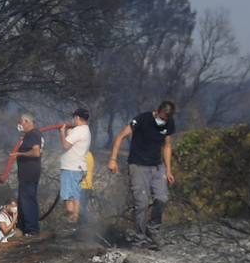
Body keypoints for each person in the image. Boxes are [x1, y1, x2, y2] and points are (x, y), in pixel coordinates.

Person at [107, 101, 176, 249]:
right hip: (138, 166)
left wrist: (168, 170)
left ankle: (153, 229)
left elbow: (168, 145)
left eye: (166, 119)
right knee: (142, 204)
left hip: (157, 167)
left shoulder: (169, 124)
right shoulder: (142, 119)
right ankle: (140, 239)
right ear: (157, 111)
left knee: (162, 198)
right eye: (161, 117)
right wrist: (113, 159)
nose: (163, 121)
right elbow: (120, 136)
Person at [58, 109, 92, 226]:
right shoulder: (85, 130)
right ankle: (74, 222)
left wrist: (62, 132)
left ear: (77, 118)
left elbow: (65, 145)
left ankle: (70, 221)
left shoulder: (78, 131)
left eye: (74, 118)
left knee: (68, 197)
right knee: (75, 196)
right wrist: (68, 132)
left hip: (71, 168)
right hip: (78, 168)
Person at [14, 114, 44, 236]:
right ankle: (24, 228)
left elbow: (36, 152)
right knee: (24, 199)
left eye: (21, 122)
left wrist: (20, 154)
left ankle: (32, 229)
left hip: (29, 173)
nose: (19, 125)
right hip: (29, 173)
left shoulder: (33, 134)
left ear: (27, 122)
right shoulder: (32, 135)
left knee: (27, 200)